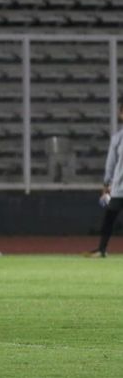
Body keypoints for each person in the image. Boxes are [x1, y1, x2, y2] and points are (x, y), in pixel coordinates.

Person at [85, 99, 123, 258]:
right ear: (121, 114)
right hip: (120, 188)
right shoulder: (118, 138)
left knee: (110, 217)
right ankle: (102, 249)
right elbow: (111, 162)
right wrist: (107, 183)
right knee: (109, 217)